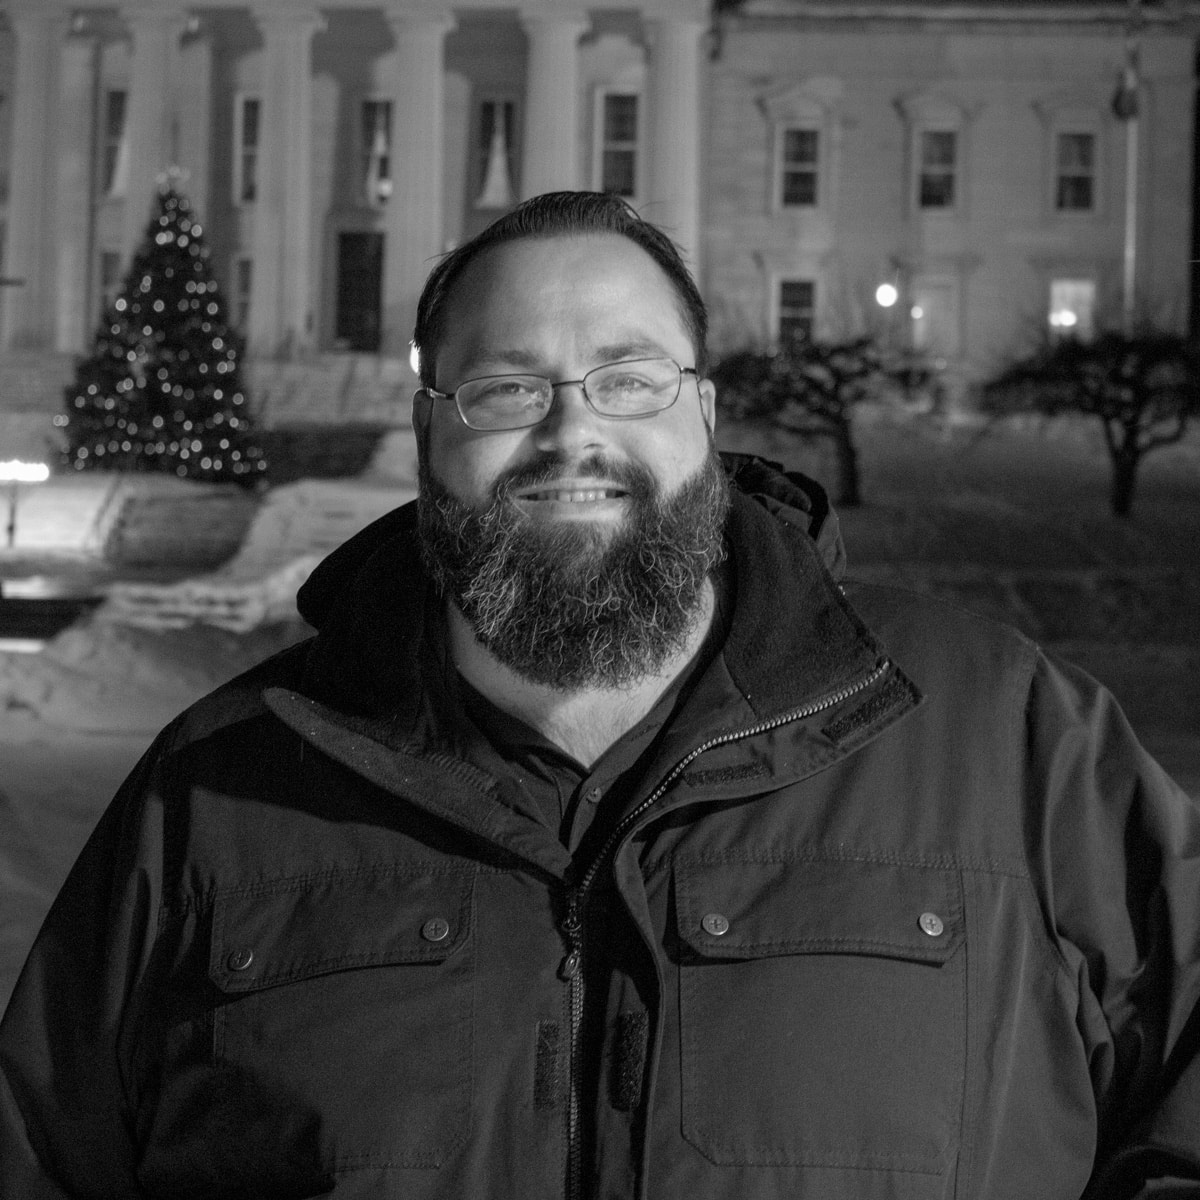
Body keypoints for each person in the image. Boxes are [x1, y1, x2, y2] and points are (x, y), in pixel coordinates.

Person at [1, 190, 1198, 1200]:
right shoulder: (225, 787)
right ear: (429, 437)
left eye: (627, 380)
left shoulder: (1000, 734)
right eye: (507, 390)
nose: (572, 432)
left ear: (707, 418)